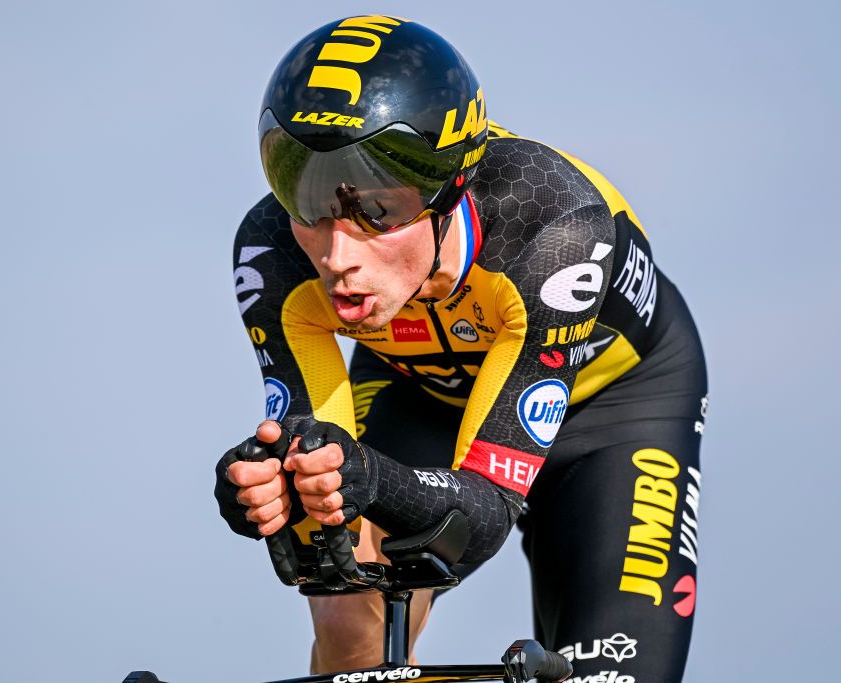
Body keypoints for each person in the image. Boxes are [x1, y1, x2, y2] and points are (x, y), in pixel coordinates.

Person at [215, 15, 707, 683]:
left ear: (449, 191)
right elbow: (321, 489)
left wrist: (371, 476)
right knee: (343, 606)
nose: (337, 256)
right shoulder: (273, 254)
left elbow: (480, 516)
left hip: (613, 411)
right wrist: (276, 492)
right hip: (423, 393)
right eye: (309, 202)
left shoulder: (554, 228)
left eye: (376, 212)